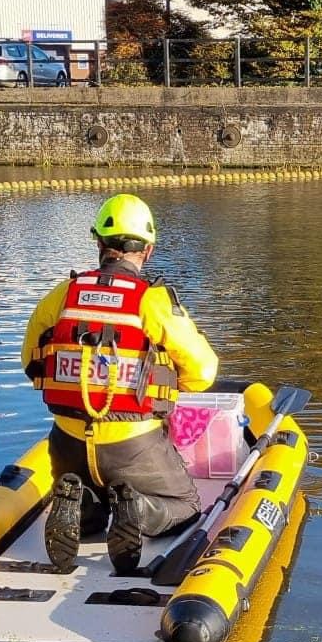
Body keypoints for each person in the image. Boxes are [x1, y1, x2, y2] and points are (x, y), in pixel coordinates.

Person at [22, 193, 218, 576]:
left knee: (90, 503)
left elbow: (30, 361)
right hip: (133, 444)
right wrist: (168, 381)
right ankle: (138, 509)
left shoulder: (63, 294)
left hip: (67, 441)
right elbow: (203, 371)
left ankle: (81, 508)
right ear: (148, 249)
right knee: (186, 506)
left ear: (98, 243)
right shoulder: (152, 301)